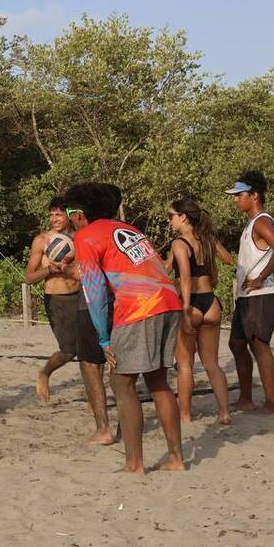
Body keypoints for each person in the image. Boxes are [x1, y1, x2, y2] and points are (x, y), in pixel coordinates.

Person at [66, 183, 184, 473]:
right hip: (169, 301)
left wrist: (104, 339)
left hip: (139, 307)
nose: (70, 220)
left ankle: (134, 464)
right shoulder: (129, 228)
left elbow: (94, 293)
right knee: (158, 381)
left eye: (70, 214)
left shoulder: (85, 236)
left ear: (79, 215)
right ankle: (176, 459)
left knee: (121, 383)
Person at [23, 195, 114, 443]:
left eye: (59, 214)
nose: (55, 219)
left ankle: (93, 400)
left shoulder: (79, 237)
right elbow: (28, 278)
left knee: (92, 352)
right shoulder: (42, 241)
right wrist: (49, 269)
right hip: (58, 300)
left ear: (69, 216)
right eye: (51, 214)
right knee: (69, 350)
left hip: (82, 297)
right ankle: (45, 372)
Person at [225, 171, 274, 414]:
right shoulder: (251, 223)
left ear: (254, 196)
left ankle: (272, 403)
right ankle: (246, 399)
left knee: (260, 345)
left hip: (260, 295)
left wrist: (260, 277)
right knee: (236, 343)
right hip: (246, 297)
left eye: (239, 195)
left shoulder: (262, 221)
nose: (235, 199)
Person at [167, 197, 234, 425]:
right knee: (211, 363)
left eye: (171, 216)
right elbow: (228, 259)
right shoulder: (206, 238)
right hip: (211, 303)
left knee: (185, 365)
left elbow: (185, 277)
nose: (169, 221)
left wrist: (185, 310)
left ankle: (185, 416)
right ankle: (224, 413)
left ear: (183, 217)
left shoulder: (179, 243)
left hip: (192, 304)